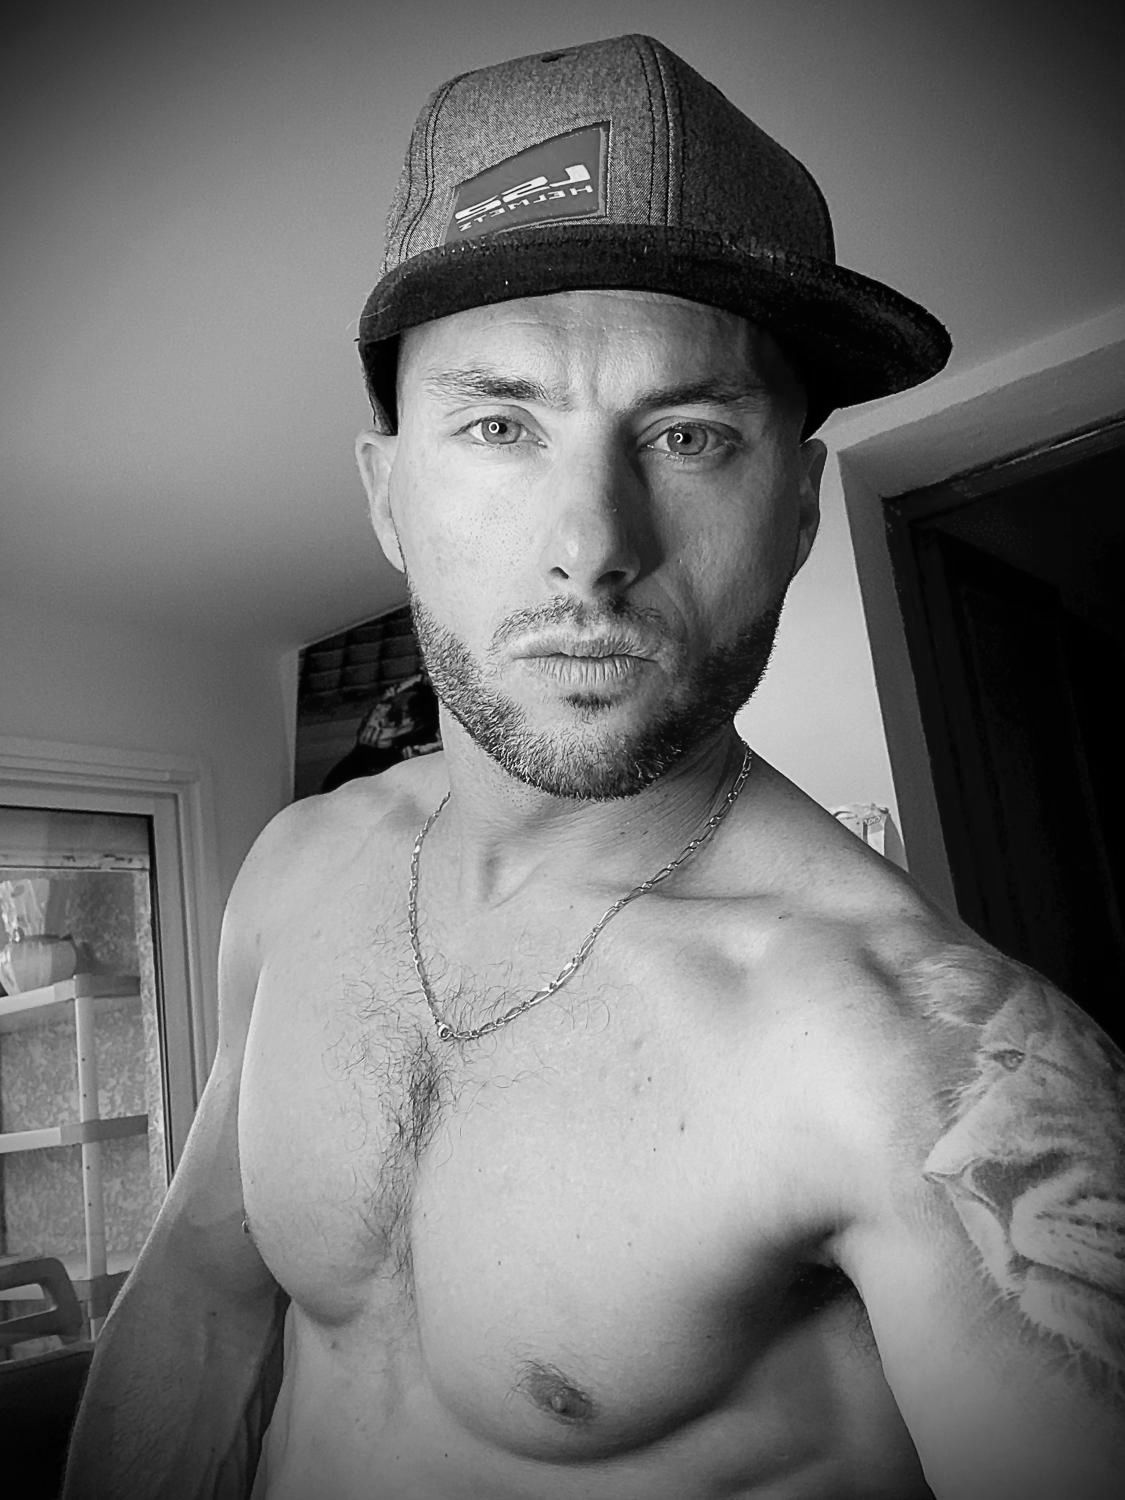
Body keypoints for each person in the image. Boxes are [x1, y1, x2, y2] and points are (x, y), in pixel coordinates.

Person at [64, 33, 1125, 1500]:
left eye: (688, 435)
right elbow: (198, 1295)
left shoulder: (935, 1074)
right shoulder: (300, 871)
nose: (592, 547)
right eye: (500, 424)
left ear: (800, 509)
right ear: (388, 494)